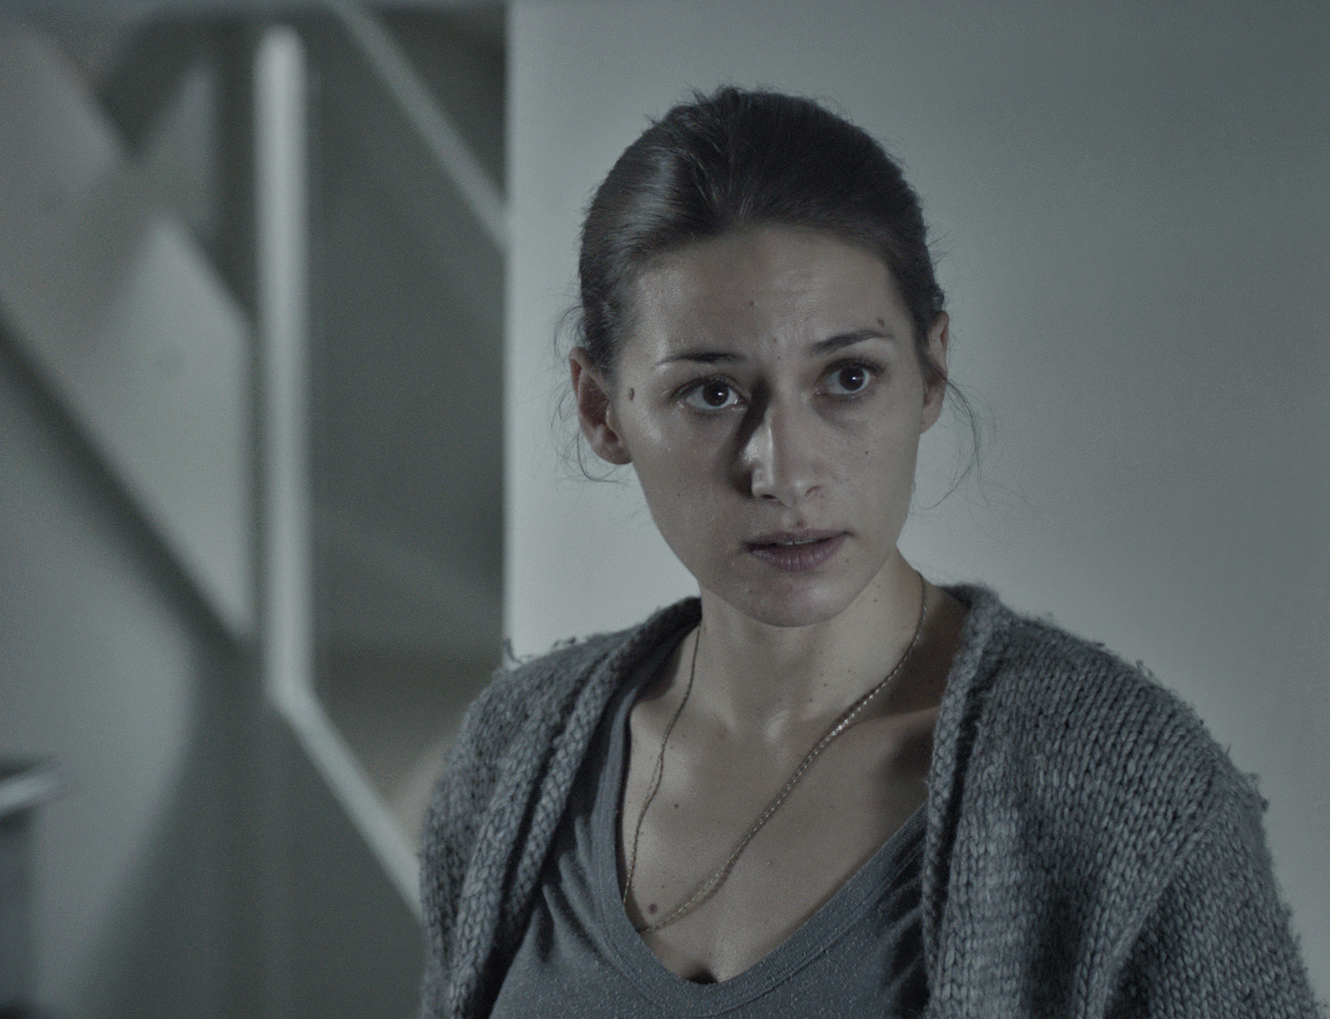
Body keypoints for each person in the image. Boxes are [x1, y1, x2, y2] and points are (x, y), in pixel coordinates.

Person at [415, 87, 1321, 1018]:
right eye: (711, 393)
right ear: (602, 409)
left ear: (930, 372)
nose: (784, 469)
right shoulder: (513, 753)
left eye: (848, 378)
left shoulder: (1126, 790)